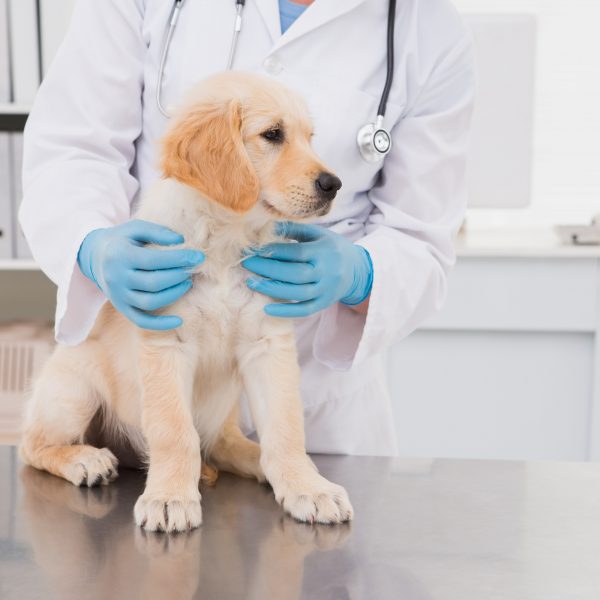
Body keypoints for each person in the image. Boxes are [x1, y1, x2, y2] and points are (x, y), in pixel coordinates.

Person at [19, 0, 476, 456]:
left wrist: (362, 275)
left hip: (318, 399)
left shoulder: (427, 28)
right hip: (149, 374)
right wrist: (90, 245)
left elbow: (421, 235)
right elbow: (74, 149)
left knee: (317, 514)